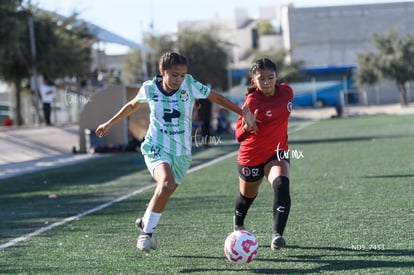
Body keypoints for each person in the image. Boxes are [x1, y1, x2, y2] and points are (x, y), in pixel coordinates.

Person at [95, 52, 257, 252]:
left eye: (182, 75)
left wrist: (244, 113)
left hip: (181, 152)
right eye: (174, 75)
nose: (178, 79)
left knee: (167, 190)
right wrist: (108, 123)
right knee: (166, 183)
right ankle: (146, 234)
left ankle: (146, 222)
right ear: (163, 72)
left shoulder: (190, 84)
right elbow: (132, 106)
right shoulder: (149, 88)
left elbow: (217, 97)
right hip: (155, 146)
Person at [233, 58, 293, 250]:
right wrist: (246, 127)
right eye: (261, 79)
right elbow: (238, 136)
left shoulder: (287, 92)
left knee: (281, 185)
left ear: (276, 76)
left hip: (277, 153)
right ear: (254, 80)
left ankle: (277, 235)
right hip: (251, 157)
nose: (266, 82)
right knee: (247, 197)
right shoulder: (251, 101)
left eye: (270, 77)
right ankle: (238, 224)